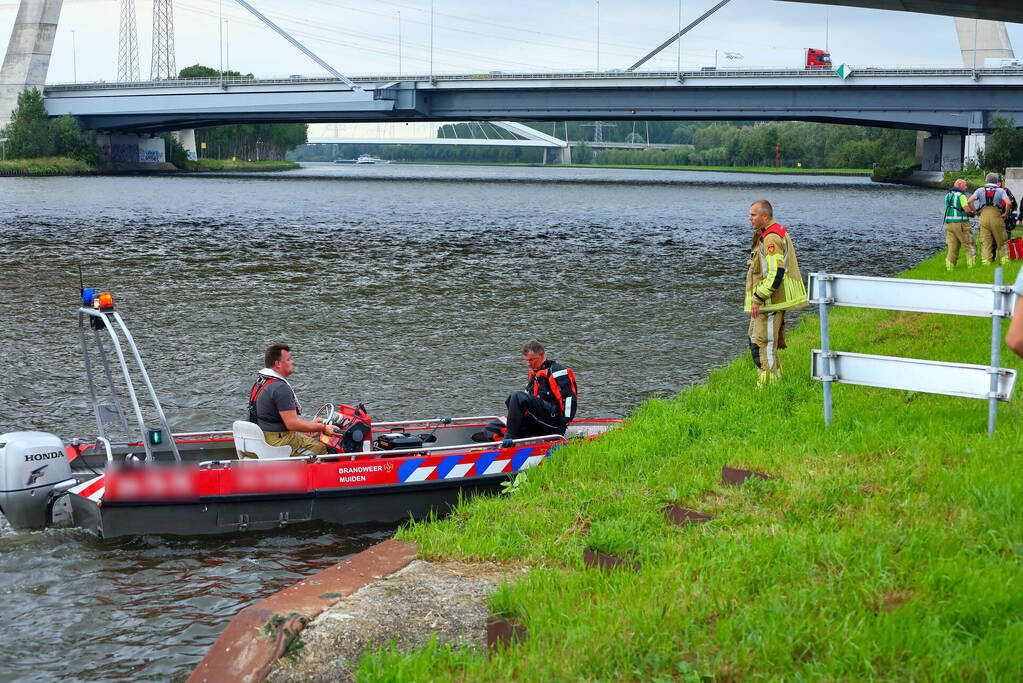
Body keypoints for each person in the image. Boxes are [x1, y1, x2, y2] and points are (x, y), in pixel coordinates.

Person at [744, 200, 809, 386]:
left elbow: (776, 272)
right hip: (767, 302)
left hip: (770, 302)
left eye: (753, 215)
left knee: (764, 344)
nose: (749, 218)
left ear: (765, 216)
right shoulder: (767, 234)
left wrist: (758, 298)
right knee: (755, 340)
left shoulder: (771, 238)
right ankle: (772, 378)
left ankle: (769, 385)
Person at [473, 341, 578, 443]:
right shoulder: (534, 374)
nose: (528, 364)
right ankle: (510, 441)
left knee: (518, 397)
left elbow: (569, 399)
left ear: (541, 355)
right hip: (536, 420)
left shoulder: (558, 372)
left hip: (553, 421)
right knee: (491, 428)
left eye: (531, 360)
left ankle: (510, 438)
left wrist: (562, 428)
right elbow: (526, 398)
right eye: (526, 361)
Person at [247, 343, 340, 457]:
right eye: (289, 359)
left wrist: (312, 425)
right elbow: (292, 424)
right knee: (321, 449)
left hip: (259, 438)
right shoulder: (280, 388)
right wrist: (324, 428)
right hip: (275, 442)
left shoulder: (261, 382)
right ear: (278, 364)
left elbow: (282, 420)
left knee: (306, 440)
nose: (292, 362)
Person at [969, 173, 1013, 265]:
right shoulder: (1001, 191)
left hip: (984, 218)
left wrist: (976, 212)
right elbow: (1008, 203)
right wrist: (1005, 213)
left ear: (986, 180)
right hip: (997, 217)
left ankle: (986, 263)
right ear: (997, 181)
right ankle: (1004, 261)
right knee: (1002, 241)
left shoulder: (980, 190)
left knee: (985, 242)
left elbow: (969, 201)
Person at [943, 179, 976, 270]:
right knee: (969, 245)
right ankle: (972, 267)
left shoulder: (948, 196)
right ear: (959, 185)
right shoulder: (961, 196)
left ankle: (949, 268)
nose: (966, 187)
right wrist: (973, 213)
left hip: (949, 224)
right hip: (961, 224)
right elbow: (966, 209)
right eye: (965, 185)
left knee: (952, 247)